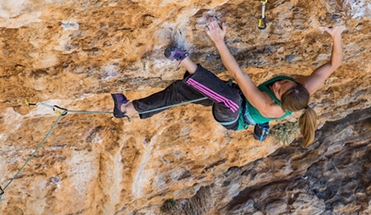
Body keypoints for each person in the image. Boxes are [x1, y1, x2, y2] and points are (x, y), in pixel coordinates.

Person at [112, 18, 346, 146]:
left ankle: (183, 60)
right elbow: (333, 66)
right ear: (299, 85)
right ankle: (127, 108)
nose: (277, 85)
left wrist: (218, 39)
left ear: (281, 102)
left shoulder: (270, 106)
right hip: (235, 95)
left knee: (231, 99)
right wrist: (336, 36)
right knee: (179, 93)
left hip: (234, 116)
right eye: (282, 83)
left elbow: (239, 74)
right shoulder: (305, 89)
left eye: (278, 90)